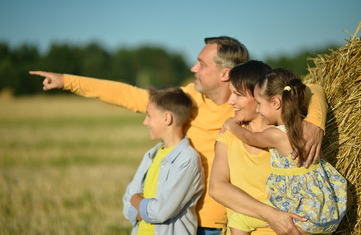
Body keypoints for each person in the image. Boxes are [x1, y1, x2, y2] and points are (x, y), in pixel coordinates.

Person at [29, 36, 327, 234]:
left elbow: (311, 88)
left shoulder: (253, 102)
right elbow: (131, 96)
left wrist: (315, 121)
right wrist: (67, 80)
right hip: (184, 223)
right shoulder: (189, 100)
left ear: (226, 73)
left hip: (231, 225)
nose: (193, 67)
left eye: (202, 63)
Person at [210, 64, 347, 235]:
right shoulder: (228, 138)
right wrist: (272, 215)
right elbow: (217, 188)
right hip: (288, 221)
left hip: (294, 226)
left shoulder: (300, 135)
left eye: (238, 94)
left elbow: (313, 89)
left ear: (265, 97)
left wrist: (316, 121)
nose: (230, 101)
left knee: (239, 220)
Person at [123, 86, 204, 235]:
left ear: (167, 118)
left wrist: (136, 201)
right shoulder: (151, 155)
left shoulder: (187, 160)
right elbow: (126, 202)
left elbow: (161, 211)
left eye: (149, 115)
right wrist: (140, 205)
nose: (145, 122)